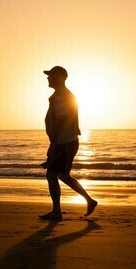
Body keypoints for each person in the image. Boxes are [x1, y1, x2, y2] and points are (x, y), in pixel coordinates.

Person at [40, 66, 97, 220]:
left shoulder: (62, 97)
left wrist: (55, 147)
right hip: (65, 142)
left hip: (64, 142)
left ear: (59, 77)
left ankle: (57, 212)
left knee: (52, 174)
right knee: (63, 176)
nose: (47, 78)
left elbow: (63, 121)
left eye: (50, 75)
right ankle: (89, 201)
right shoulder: (59, 96)